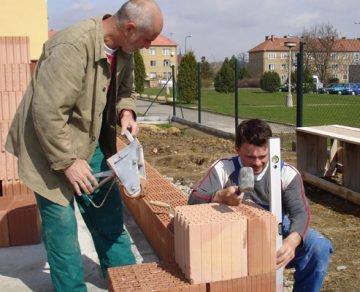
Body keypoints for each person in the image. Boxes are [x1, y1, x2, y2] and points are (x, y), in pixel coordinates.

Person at [5, 0, 163, 290]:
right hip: (49, 148)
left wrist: (125, 111)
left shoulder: (125, 50)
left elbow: (126, 90)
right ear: (129, 28)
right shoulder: (71, 47)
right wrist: (67, 162)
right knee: (63, 235)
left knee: (109, 221)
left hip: (89, 143)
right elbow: (46, 113)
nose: (148, 47)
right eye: (146, 40)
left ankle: (126, 282)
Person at [188, 119, 333, 292]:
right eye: (250, 157)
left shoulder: (286, 174)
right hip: (233, 234)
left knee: (318, 247)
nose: (257, 163)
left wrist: (292, 241)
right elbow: (193, 199)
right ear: (237, 149)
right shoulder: (223, 169)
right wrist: (219, 196)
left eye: (262, 157)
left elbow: (300, 214)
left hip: (276, 227)